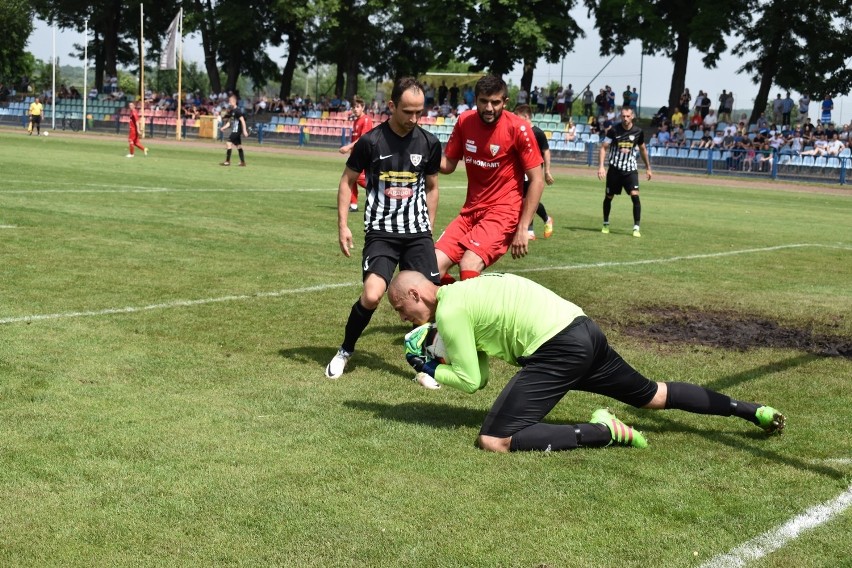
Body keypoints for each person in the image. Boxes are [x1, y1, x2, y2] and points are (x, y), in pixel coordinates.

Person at [391, 270, 786, 453]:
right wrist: (441, 355)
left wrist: (426, 367)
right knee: (654, 395)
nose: (401, 317)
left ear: (414, 293)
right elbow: (482, 366)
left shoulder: (449, 312)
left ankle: (604, 431)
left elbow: (472, 381)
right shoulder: (466, 292)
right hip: (584, 330)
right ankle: (754, 411)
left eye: (399, 308)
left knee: (494, 439)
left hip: (558, 349)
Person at [324, 77, 442, 380]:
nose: (413, 119)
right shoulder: (371, 142)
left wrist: (428, 224)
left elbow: (432, 186)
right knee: (373, 294)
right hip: (381, 232)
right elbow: (346, 180)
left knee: (428, 301)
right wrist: (343, 226)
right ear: (392, 106)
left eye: (419, 112)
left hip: (417, 234)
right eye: (407, 112)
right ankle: (345, 350)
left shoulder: (429, 142)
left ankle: (423, 364)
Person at [435, 75, 544, 284]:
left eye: (495, 102)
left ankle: (472, 314)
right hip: (470, 211)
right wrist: (421, 155)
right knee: (432, 267)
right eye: (484, 101)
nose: (489, 108)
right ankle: (456, 311)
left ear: (505, 102)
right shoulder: (465, 121)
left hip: (503, 212)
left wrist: (523, 227)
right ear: (475, 99)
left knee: (469, 264)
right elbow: (448, 165)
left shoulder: (519, 128)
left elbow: (537, 180)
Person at [598, 107, 651, 237]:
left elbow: (643, 149)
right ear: (620, 117)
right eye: (623, 116)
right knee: (609, 197)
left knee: (635, 195)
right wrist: (601, 166)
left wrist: (648, 167)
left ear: (632, 116)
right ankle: (605, 223)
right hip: (615, 170)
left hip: (630, 170)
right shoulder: (613, 130)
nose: (625, 119)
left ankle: (636, 227)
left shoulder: (638, 131)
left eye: (628, 116)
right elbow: (604, 148)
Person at [514, 104, 555, 240]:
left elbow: (546, 151)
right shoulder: (518, 131)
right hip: (521, 169)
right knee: (525, 199)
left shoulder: (537, 132)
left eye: (517, 116)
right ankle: (543, 221)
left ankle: (533, 228)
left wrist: (547, 171)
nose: (515, 119)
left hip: (533, 170)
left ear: (526, 116)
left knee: (527, 198)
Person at [339, 96, 373, 212]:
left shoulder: (366, 119)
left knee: (358, 178)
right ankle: (353, 204)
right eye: (353, 107)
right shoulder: (355, 121)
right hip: (355, 153)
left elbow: (363, 139)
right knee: (350, 177)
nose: (355, 109)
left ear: (363, 107)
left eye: (357, 107)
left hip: (364, 154)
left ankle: (375, 189)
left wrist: (348, 146)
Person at [220, 95, 248, 166]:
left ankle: (227, 161)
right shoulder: (232, 111)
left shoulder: (238, 111)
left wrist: (244, 131)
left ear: (233, 102)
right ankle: (242, 162)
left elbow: (243, 121)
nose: (229, 103)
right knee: (238, 146)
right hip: (235, 130)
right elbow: (229, 122)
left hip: (237, 131)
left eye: (230, 101)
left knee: (228, 143)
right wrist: (223, 127)